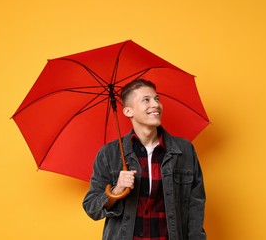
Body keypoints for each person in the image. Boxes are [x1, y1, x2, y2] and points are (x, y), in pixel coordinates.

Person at [83, 79, 206, 240]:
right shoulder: (109, 154)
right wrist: (116, 190)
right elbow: (91, 207)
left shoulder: (184, 150)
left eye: (157, 99)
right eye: (146, 100)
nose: (155, 104)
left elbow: (195, 206)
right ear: (128, 111)